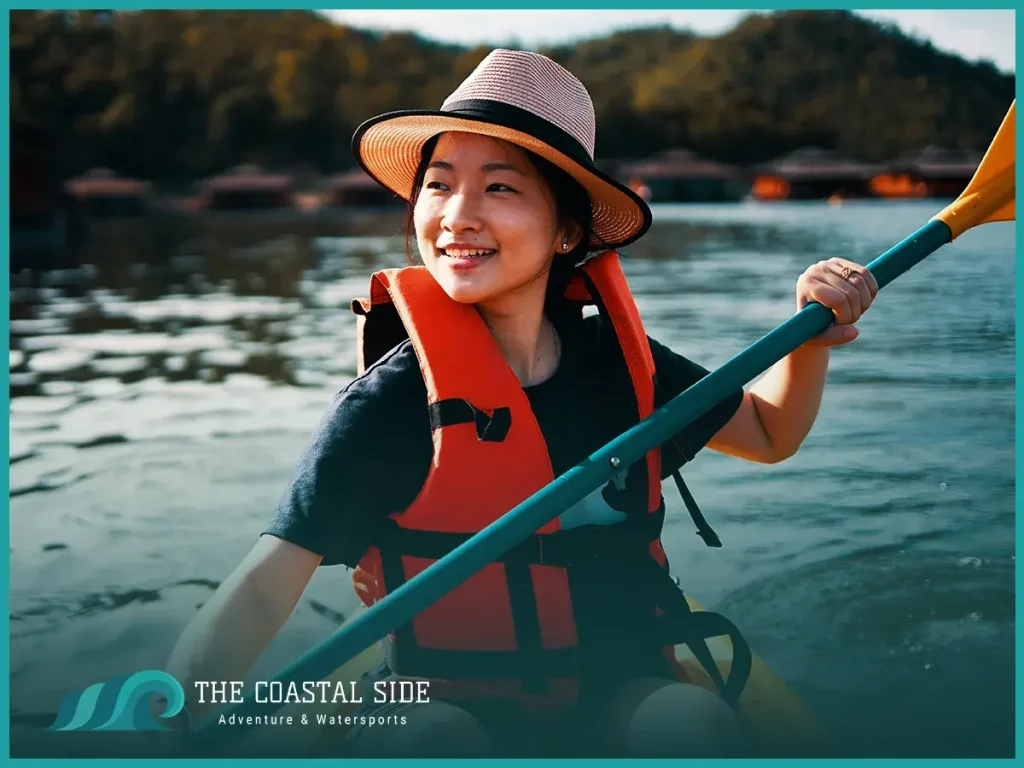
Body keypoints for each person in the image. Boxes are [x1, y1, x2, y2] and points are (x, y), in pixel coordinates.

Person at [166, 49, 878, 759]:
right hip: (446, 702)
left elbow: (768, 433)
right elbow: (263, 589)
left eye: (500, 188)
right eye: (438, 186)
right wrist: (164, 717)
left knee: (689, 727)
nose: (457, 217)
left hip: (620, 687)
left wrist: (810, 340)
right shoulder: (393, 401)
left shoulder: (622, 367)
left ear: (566, 231)